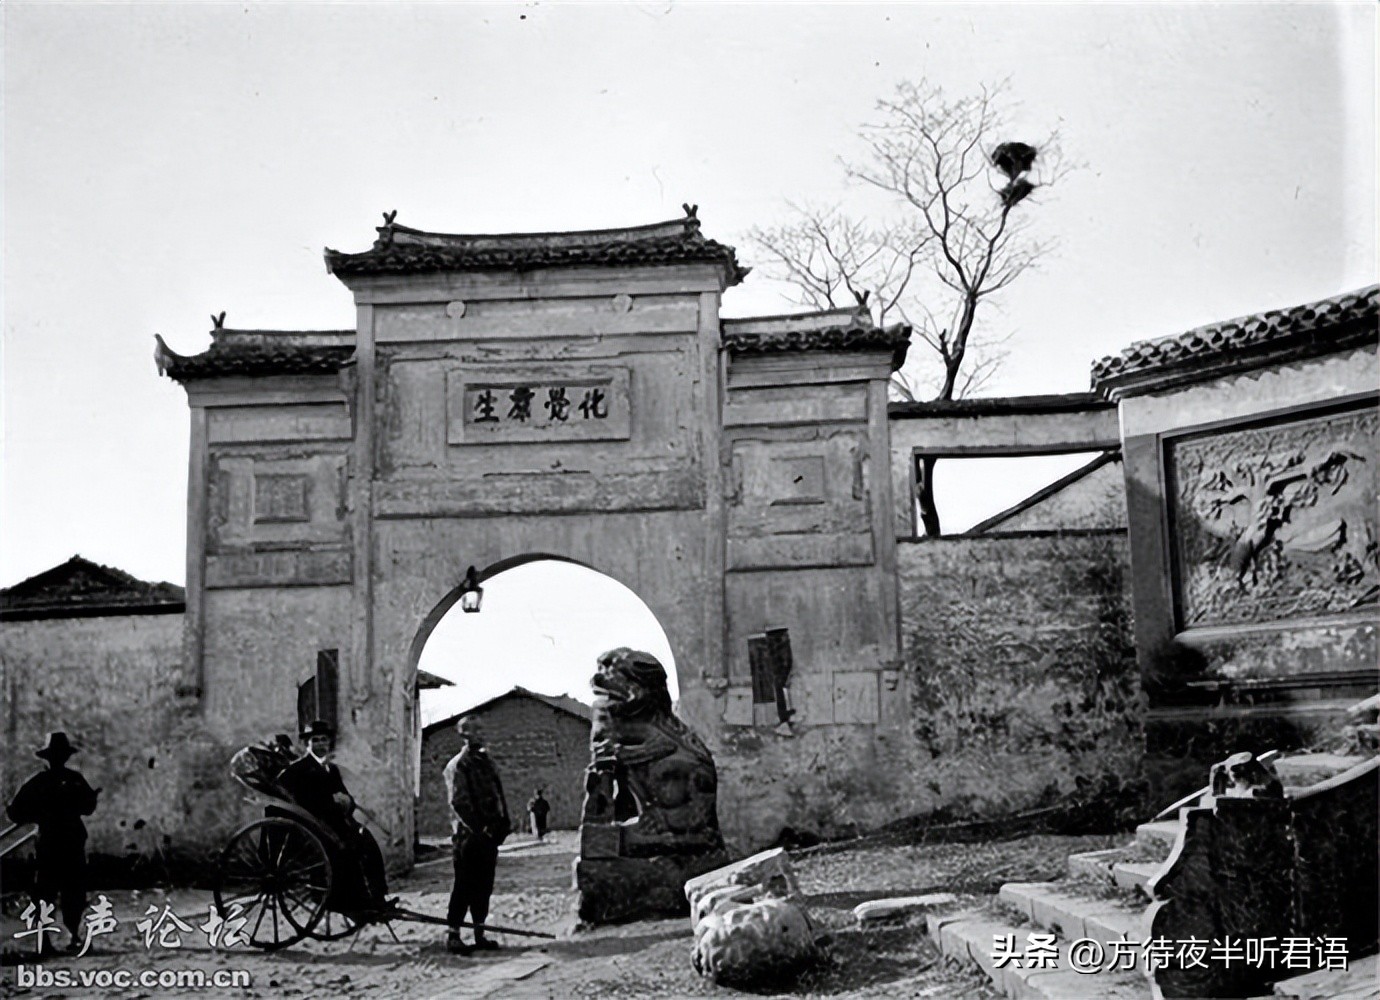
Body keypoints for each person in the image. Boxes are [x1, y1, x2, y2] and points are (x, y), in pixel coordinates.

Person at [276, 720, 389, 912]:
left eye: (324, 740)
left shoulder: (332, 769)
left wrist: (347, 802)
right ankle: (352, 901)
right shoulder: (296, 770)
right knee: (348, 849)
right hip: (315, 824)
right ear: (307, 744)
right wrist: (330, 802)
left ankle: (377, 897)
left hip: (337, 821)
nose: (320, 744)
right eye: (315, 740)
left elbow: (345, 796)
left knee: (368, 841)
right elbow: (291, 798)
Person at [6, 732, 99, 952]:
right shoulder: (75, 779)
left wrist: (36, 814)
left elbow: (15, 812)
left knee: (46, 892)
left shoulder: (38, 782)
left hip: (49, 843)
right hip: (68, 842)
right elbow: (88, 808)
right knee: (71, 890)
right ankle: (72, 936)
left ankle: (46, 939)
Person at [443, 716, 511, 954]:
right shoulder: (459, 765)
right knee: (464, 884)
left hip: (489, 835)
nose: (481, 734)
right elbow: (459, 802)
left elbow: (498, 794)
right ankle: (453, 934)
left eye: (481, 729)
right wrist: (479, 828)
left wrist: (503, 824)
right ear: (464, 735)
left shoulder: (486, 762)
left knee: (484, 885)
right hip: (468, 836)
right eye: (474, 731)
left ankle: (480, 932)